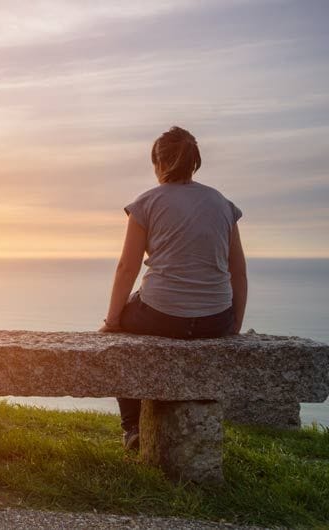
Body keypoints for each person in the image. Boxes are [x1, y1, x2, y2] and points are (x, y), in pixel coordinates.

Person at [99, 126, 247, 451]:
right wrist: (233, 325)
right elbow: (238, 271)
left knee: (119, 338)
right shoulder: (222, 203)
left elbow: (127, 268)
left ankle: (132, 427)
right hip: (216, 320)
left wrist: (112, 322)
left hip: (160, 316)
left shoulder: (146, 203)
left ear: (157, 163)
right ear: (195, 162)